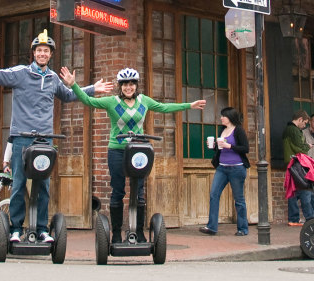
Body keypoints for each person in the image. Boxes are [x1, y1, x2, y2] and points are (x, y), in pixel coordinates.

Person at [0, 27, 113, 243]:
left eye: (46, 51)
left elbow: (69, 95)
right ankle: (16, 229)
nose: (43, 54)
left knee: (43, 185)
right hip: (22, 138)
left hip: (44, 140)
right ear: (33, 53)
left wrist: (91, 89)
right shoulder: (21, 73)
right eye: (39, 50)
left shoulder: (52, 78)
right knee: (18, 185)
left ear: (51, 55)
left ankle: (42, 228)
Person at [59, 67, 206, 243]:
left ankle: (139, 232)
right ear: (120, 86)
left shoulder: (144, 101)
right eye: (125, 84)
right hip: (117, 151)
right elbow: (88, 101)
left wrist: (189, 105)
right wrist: (74, 85)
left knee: (139, 192)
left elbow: (164, 107)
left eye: (131, 84)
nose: (128, 87)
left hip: (138, 150)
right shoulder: (111, 102)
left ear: (136, 86)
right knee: (118, 191)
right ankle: (115, 234)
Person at [198, 107, 250, 236]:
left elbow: (245, 148)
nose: (221, 118)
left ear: (230, 117)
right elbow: (220, 148)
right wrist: (214, 146)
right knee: (214, 194)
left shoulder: (238, 130)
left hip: (237, 168)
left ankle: (243, 229)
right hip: (222, 168)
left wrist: (230, 146)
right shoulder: (222, 130)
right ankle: (212, 227)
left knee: (239, 199)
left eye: (223, 116)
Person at [282, 110, 314, 226]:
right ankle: (310, 218)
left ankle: (293, 219)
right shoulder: (294, 130)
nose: (304, 126)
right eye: (304, 123)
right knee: (305, 191)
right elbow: (299, 147)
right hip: (297, 164)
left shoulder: (288, 129)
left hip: (290, 164)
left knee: (293, 192)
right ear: (300, 119)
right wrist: (308, 146)